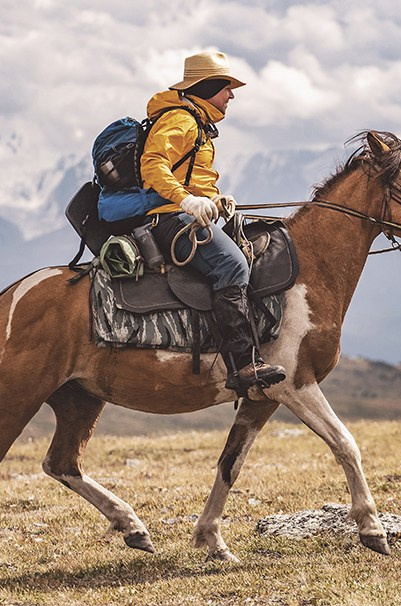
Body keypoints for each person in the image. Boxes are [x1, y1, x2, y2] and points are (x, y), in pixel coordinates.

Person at [140, 51, 286, 396]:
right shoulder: (182, 120)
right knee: (232, 264)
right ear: (209, 87)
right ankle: (244, 365)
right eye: (227, 88)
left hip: (180, 211)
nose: (231, 95)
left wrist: (213, 199)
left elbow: (190, 176)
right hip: (169, 217)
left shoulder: (197, 122)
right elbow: (153, 164)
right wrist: (186, 200)